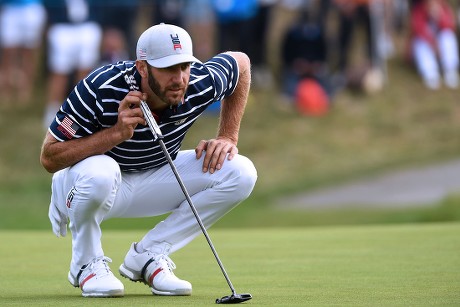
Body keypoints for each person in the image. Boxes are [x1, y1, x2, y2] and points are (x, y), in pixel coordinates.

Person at [39, 23, 257, 298]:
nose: (179, 78)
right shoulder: (100, 87)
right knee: (102, 171)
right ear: (143, 67)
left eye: (183, 67)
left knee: (240, 171)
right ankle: (86, 264)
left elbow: (242, 64)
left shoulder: (199, 82)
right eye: (168, 69)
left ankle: (149, 255)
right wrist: (116, 134)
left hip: (154, 176)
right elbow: (49, 156)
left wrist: (228, 136)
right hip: (89, 184)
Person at [42, 0, 102, 127]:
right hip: (62, 26)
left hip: (87, 25)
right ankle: (53, 114)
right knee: (59, 71)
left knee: (85, 73)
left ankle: (81, 113)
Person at [0, 0, 46, 103]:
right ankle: (5, 90)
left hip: (31, 7)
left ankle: (25, 91)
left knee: (29, 53)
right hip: (9, 8)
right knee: (8, 52)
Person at [410, 0, 459, 89]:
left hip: (440, 44)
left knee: (448, 36)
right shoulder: (419, 9)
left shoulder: (443, 7)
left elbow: (450, 25)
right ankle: (430, 72)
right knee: (420, 43)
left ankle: (450, 69)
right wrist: (432, 42)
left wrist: (439, 17)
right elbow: (418, 29)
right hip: (429, 43)